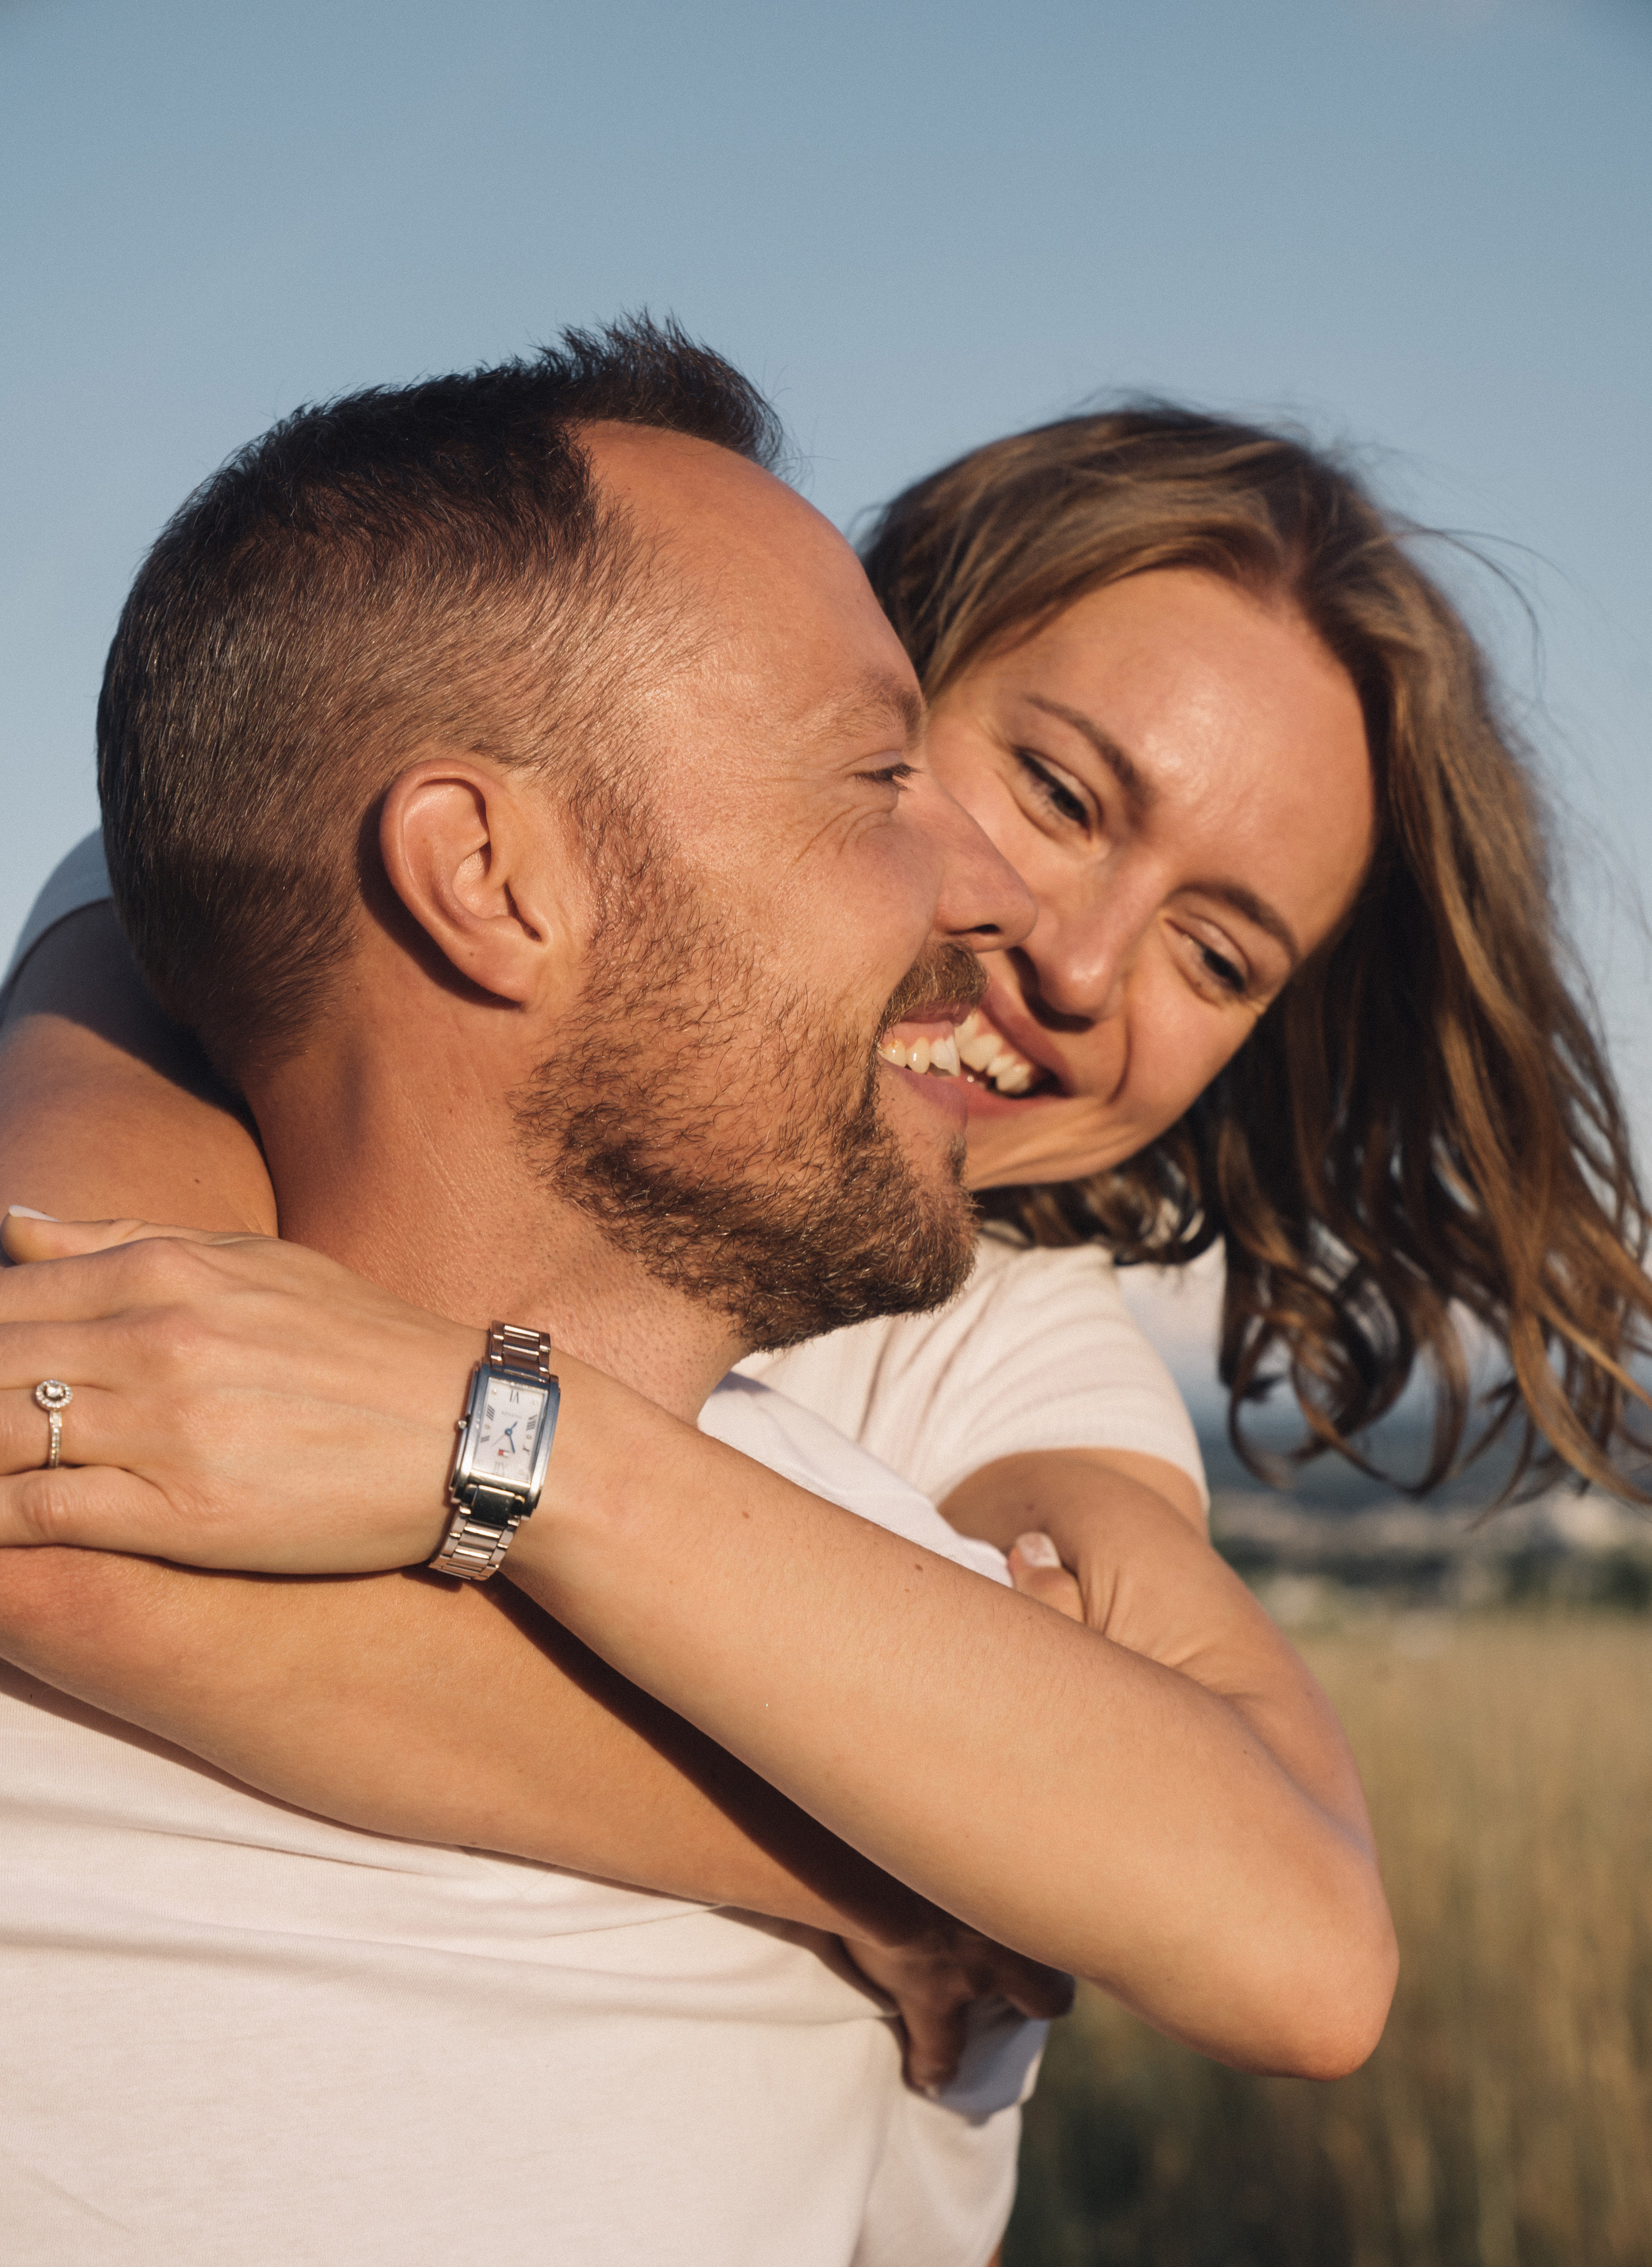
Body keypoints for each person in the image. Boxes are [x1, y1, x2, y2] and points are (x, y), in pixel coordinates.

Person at [0, 326, 1396, 2267]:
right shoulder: (227, 967)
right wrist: (910, 1875)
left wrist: (502, 1446)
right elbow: (80, 1422)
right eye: (1024, 790)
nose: (1050, 952)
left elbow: (1293, 1925)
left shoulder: (991, 1417)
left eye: (1221, 952)